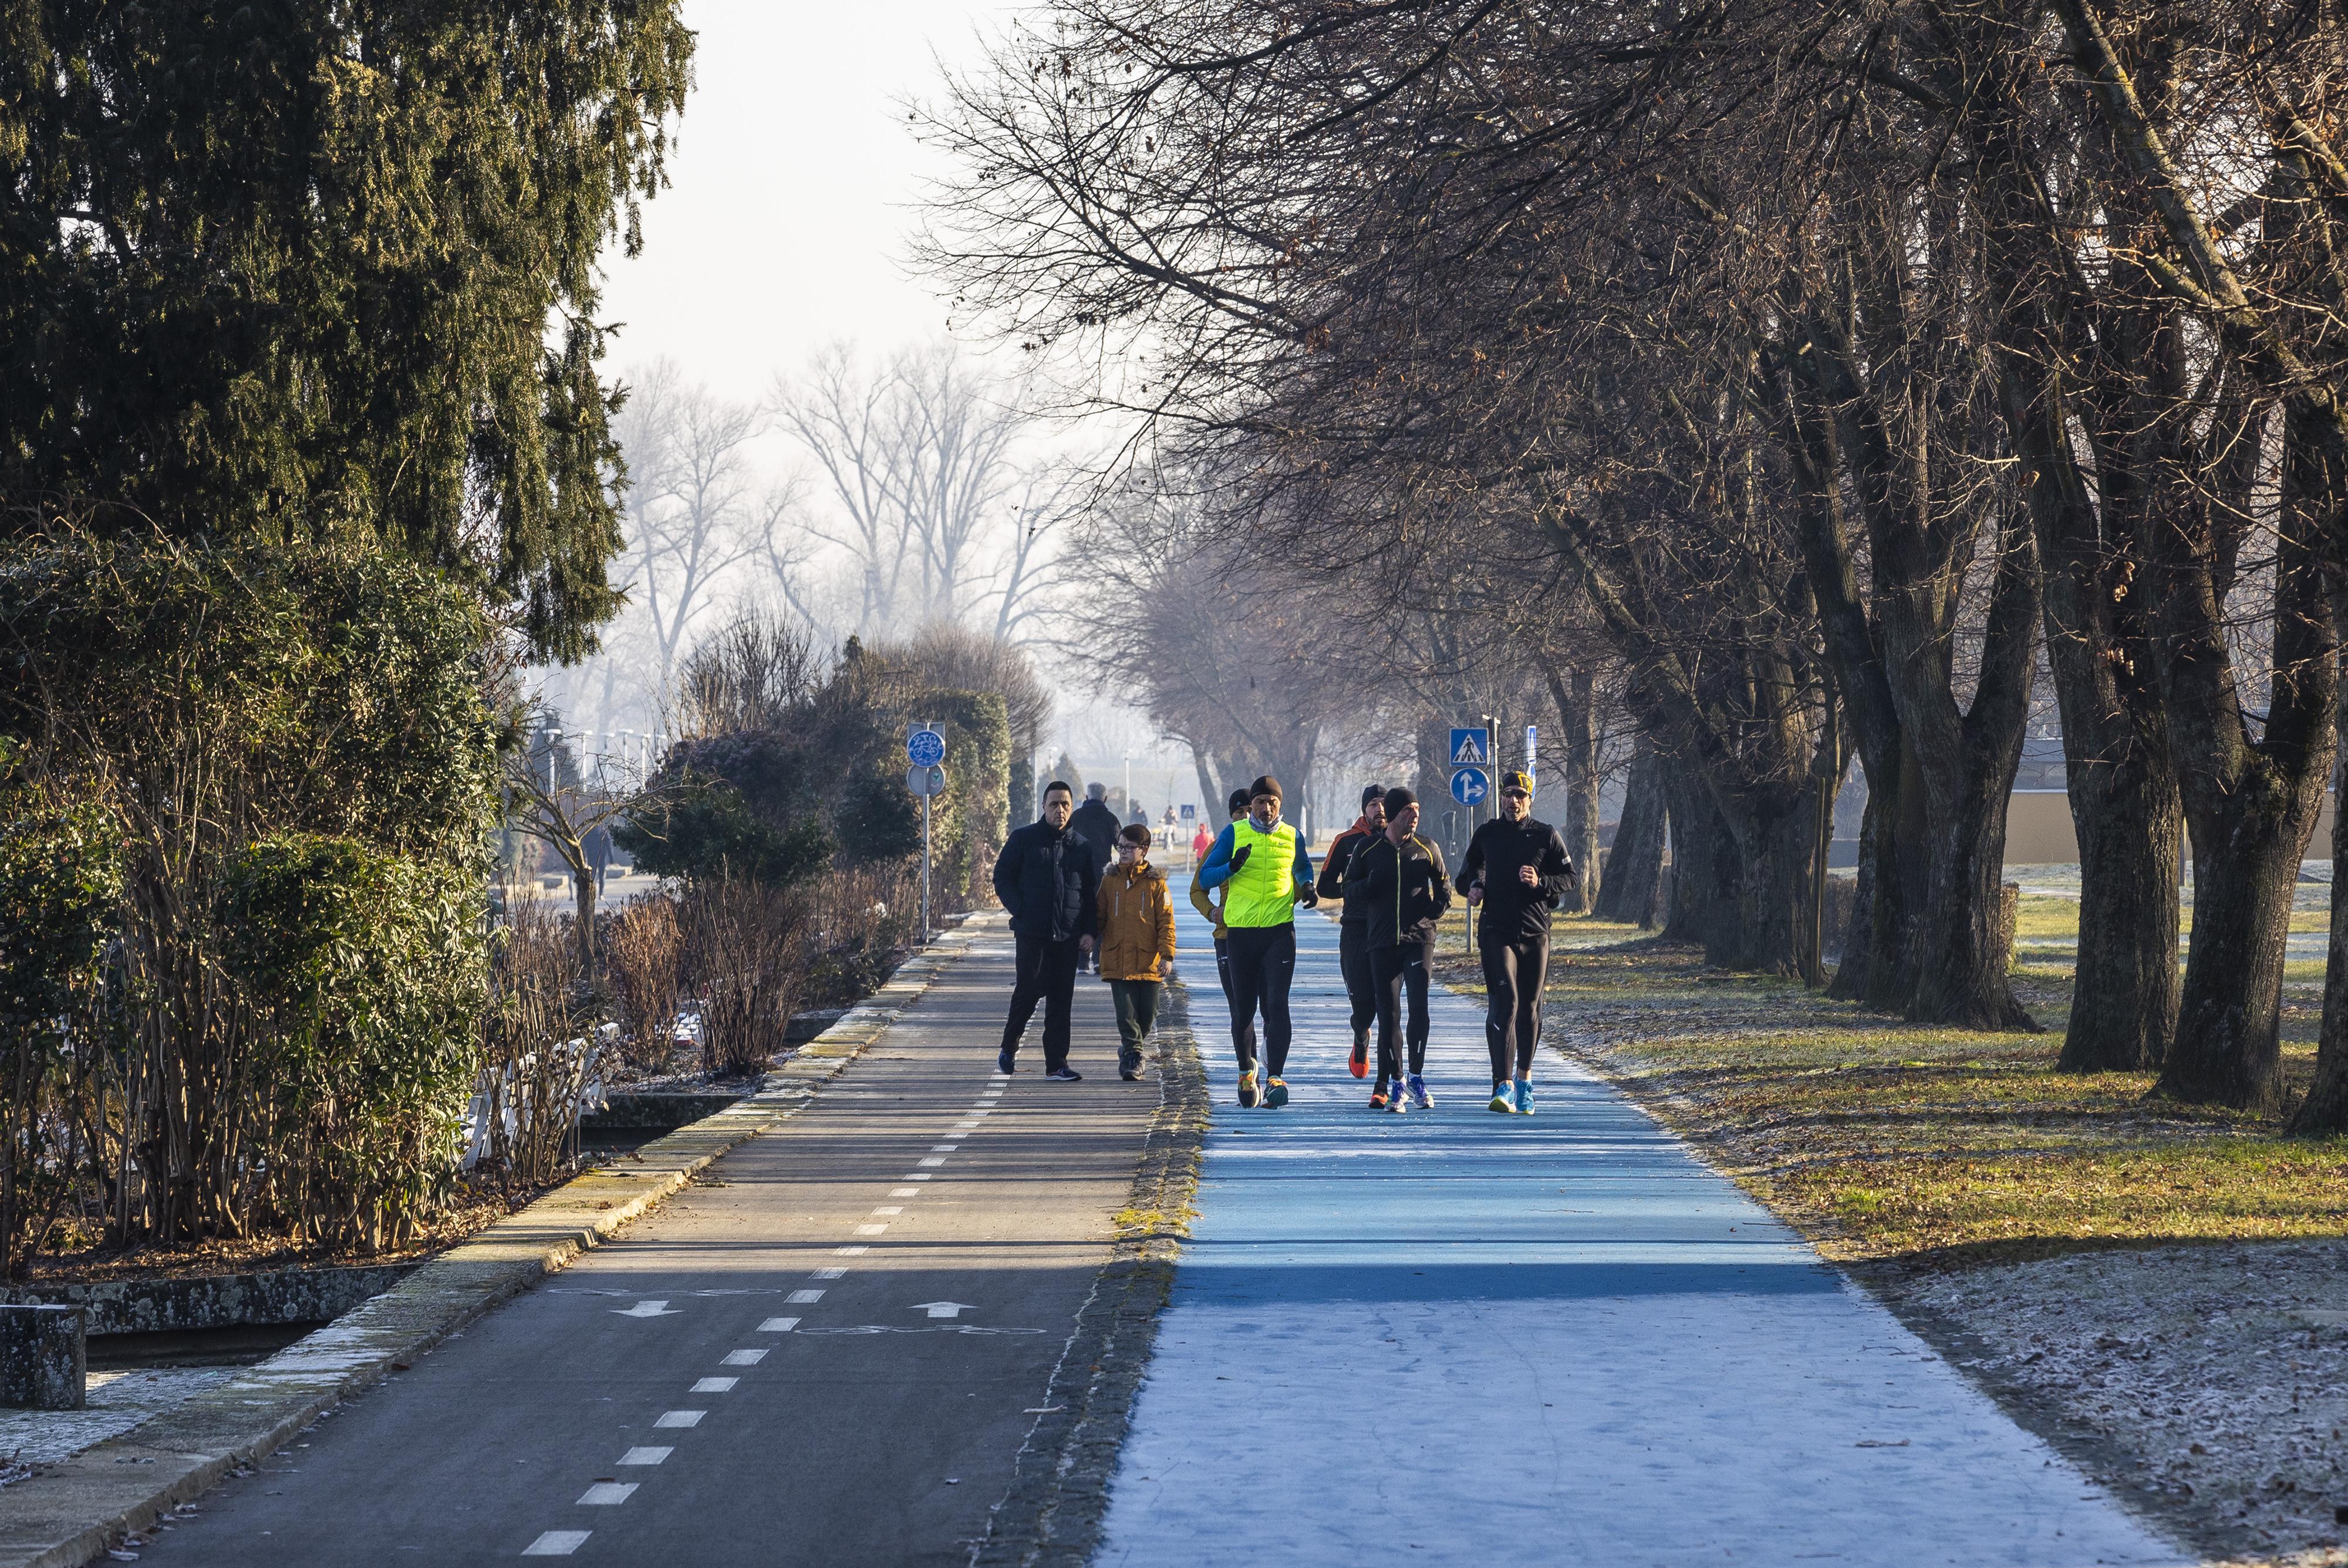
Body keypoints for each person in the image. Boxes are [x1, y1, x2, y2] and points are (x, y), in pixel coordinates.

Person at [1458, 768, 1576, 1114]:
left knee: (1530, 1007)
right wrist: (1473, 888)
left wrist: (1541, 882)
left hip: (1536, 933)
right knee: (1506, 1001)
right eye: (1508, 794)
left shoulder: (1545, 834)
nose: (1513, 801)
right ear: (1501, 798)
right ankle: (1503, 1084)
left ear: (1530, 799)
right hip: (1496, 931)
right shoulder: (1488, 833)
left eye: (1520, 795)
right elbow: (1467, 872)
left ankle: (1524, 1079)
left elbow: (1570, 877)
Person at [1195, 775, 1317, 1108]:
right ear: (1252, 805)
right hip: (1241, 933)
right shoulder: (1234, 833)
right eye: (1260, 802)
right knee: (1244, 1007)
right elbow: (1205, 877)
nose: (1266, 808)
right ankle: (1246, 1070)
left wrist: (1308, 886)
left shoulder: (1292, 835)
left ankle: (1276, 1076)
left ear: (1280, 804)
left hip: (1280, 931)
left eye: (1272, 802)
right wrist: (1231, 867)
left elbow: (1302, 867)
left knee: (1277, 1004)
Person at [1344, 786, 1451, 1112]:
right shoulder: (1367, 849)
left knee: (1419, 1008)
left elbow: (1444, 883)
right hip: (1382, 942)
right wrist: (1369, 885)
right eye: (1408, 810)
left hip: (1419, 940)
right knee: (1389, 1014)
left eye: (1417, 809)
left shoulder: (1427, 847)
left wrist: (1438, 906)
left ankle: (1417, 1078)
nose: (1415, 815)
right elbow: (1349, 889)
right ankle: (1397, 1082)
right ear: (1393, 814)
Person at [990, 781, 1099, 1081]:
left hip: (1068, 936)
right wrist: (1021, 909)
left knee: (1061, 1001)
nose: (1060, 810)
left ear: (1072, 808)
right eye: (1054, 804)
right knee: (1028, 991)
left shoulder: (1082, 847)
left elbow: (1090, 893)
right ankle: (1009, 1048)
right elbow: (1002, 877)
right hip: (1032, 934)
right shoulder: (1024, 839)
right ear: (1043, 807)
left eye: (1065, 805)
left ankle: (1056, 1063)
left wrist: (1090, 931)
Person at [1315, 784, 1388, 1080]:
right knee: (1362, 1006)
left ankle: (1386, 1080)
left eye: (1384, 803)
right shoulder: (1346, 841)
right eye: (1373, 804)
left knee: (1388, 1006)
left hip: (1388, 930)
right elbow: (1324, 887)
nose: (1379, 809)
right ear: (1364, 810)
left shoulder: (1399, 840)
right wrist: (1355, 889)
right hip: (1356, 930)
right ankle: (1361, 1035)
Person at [1098, 822, 1178, 1081]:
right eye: (1120, 847)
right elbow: (1099, 914)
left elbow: (1166, 921)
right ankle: (1133, 1057)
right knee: (1126, 1014)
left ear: (1144, 850)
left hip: (1149, 960)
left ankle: (1130, 1049)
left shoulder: (1156, 884)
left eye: (1129, 848)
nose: (1122, 852)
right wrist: (1087, 935)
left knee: (1148, 1014)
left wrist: (1167, 955)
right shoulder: (1110, 880)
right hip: (1118, 958)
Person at [1189, 788, 1254, 1068]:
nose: (1246, 817)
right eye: (1240, 812)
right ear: (1231, 816)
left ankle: (1271, 1066)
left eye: (1251, 810)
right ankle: (1247, 1069)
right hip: (1228, 936)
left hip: (1266, 934)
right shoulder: (1219, 847)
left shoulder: (1274, 843)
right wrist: (1212, 911)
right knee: (1240, 1008)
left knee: (1271, 1007)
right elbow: (1197, 889)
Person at [1069, 783, 1123, 973]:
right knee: (1101, 915)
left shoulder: (1075, 817)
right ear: (1105, 799)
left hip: (1078, 874)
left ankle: (1081, 962)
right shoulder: (1111, 819)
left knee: (1080, 914)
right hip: (1102, 874)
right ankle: (1099, 959)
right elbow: (1122, 845)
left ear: (1086, 797)